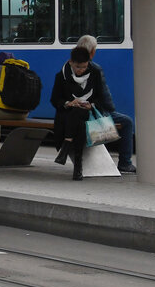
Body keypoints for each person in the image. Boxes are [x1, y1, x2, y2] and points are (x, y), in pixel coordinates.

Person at [50, 37, 136, 180]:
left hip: (86, 112)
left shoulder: (92, 72)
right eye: (78, 67)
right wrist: (69, 103)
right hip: (71, 114)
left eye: (83, 67)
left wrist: (92, 105)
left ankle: (68, 147)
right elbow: (55, 99)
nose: (81, 70)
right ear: (92, 52)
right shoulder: (63, 76)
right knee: (125, 122)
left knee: (80, 116)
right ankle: (125, 163)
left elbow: (99, 97)